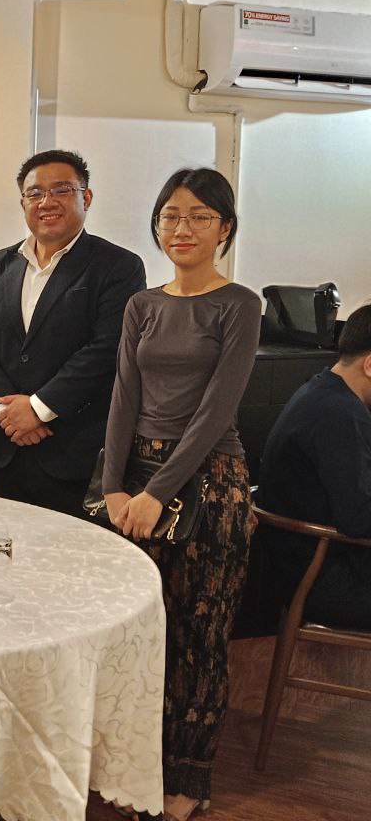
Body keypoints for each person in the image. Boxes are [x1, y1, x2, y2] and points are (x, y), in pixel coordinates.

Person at [101, 167, 260, 821]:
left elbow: (217, 412)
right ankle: (133, 764)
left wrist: (156, 491)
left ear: (224, 228)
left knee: (199, 634)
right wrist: (114, 487)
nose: (182, 228)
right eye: (171, 215)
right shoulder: (142, 304)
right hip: (135, 479)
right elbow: (123, 397)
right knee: (138, 631)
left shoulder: (240, 304)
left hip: (210, 483)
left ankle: (188, 780)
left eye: (199, 216)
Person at [0, 149, 146, 515]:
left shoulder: (118, 265)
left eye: (61, 190)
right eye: (35, 193)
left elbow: (107, 348)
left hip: (72, 454)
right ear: (23, 202)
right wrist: (7, 411)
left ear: (86, 197)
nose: (46, 202)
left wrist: (38, 408)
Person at [259, 302, 371, 629]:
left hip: (308, 565)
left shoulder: (322, 390)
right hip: (324, 578)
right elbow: (359, 519)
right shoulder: (341, 415)